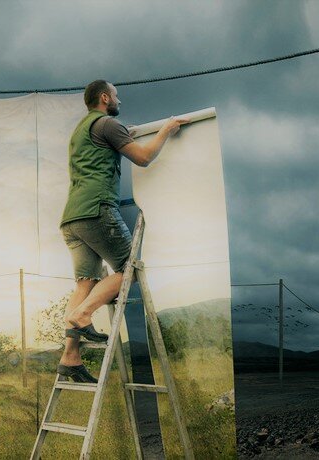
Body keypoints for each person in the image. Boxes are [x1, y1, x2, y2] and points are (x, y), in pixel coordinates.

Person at [57, 80, 188, 383]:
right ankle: (82, 315)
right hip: (97, 210)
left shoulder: (81, 130)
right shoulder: (108, 123)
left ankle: (70, 357)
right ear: (105, 98)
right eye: (116, 96)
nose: (119, 100)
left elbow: (102, 152)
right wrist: (166, 130)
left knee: (85, 282)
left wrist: (122, 137)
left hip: (72, 217)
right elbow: (143, 158)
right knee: (128, 268)